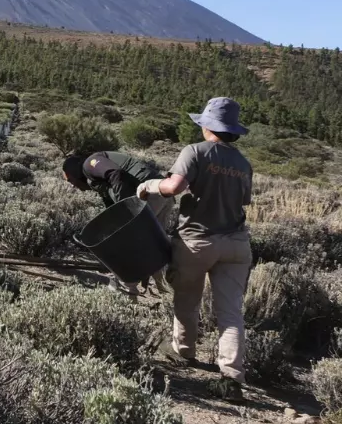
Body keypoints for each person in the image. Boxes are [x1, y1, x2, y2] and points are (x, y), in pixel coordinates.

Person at [137, 97, 253, 403]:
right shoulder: (243, 163)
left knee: (187, 300)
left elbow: (174, 187)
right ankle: (232, 378)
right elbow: (244, 201)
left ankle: (184, 351)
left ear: (207, 126)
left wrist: (150, 186)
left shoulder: (196, 151)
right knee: (230, 312)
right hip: (237, 244)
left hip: (197, 241)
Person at [61, 151, 174, 295]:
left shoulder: (89, 164)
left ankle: (126, 289)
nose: (73, 186)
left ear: (74, 172)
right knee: (155, 246)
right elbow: (110, 202)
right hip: (161, 193)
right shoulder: (94, 179)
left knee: (125, 244)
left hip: (148, 193)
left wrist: (125, 210)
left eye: (70, 180)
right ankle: (166, 290)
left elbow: (116, 173)